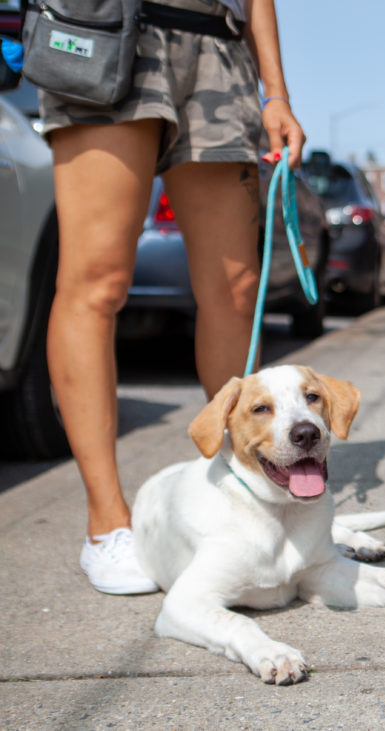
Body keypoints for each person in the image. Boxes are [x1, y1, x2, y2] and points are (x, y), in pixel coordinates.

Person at [41, 0, 305, 593]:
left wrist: (275, 93)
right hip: (104, 27)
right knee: (98, 281)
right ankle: (107, 523)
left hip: (216, 42)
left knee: (236, 289)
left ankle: (243, 490)